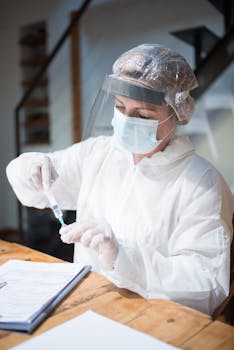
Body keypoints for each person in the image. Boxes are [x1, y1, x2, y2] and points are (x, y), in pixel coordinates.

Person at [6, 43, 234, 315]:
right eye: (120, 107)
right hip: (88, 305)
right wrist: (26, 167)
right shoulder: (99, 153)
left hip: (154, 322)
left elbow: (207, 283)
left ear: (176, 114)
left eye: (142, 115)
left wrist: (123, 256)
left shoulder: (202, 183)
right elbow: (40, 189)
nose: (126, 120)